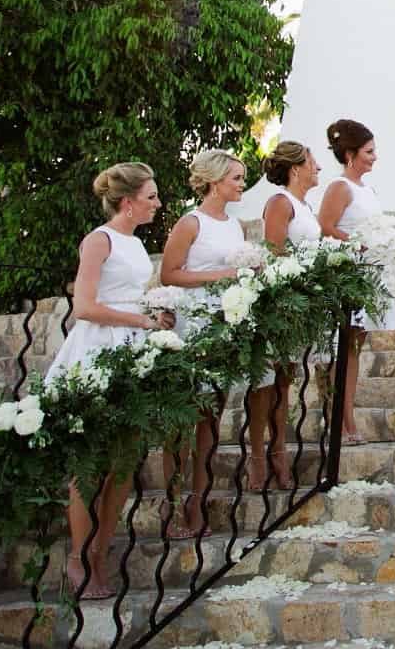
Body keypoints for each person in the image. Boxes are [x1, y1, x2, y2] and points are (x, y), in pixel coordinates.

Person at [46, 162, 175, 600]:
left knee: (125, 458)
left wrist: (155, 316)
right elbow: (84, 306)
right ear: (127, 201)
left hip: (133, 348)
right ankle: (78, 557)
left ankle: (102, 550)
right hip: (98, 348)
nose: (158, 204)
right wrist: (139, 319)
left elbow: (135, 294)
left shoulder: (137, 246)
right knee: (90, 461)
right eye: (151, 197)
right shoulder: (98, 241)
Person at [159, 149, 248, 532]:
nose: (242, 184)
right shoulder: (190, 223)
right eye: (236, 179)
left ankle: (201, 499)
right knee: (182, 419)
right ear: (215, 182)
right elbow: (169, 274)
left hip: (224, 322)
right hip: (192, 324)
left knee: (212, 415)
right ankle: (173, 501)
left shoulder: (235, 225)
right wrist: (221, 276)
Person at [319, 119, 395, 445]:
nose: (374, 157)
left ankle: (345, 415)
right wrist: (357, 243)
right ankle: (342, 420)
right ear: (350, 154)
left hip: (368, 277)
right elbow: (325, 226)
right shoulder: (340, 187)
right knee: (345, 351)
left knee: (355, 350)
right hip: (348, 276)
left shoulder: (367, 189)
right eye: (369, 151)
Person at [252, 140, 325, 489]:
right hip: (280, 302)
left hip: (299, 304)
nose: (319, 168)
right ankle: (257, 456)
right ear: (296, 168)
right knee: (265, 383)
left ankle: (279, 449)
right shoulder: (280, 203)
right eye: (313, 162)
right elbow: (274, 253)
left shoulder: (306, 206)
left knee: (284, 381)